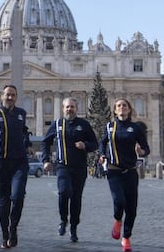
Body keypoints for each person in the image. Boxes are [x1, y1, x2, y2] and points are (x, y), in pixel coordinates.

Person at [0, 85, 33, 249]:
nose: (10, 97)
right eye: (8, 95)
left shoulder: (21, 114)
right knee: (3, 201)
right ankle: (5, 234)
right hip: (2, 162)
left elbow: (24, 132)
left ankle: (13, 227)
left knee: (17, 196)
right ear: (2, 96)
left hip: (20, 162)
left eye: (13, 95)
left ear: (16, 97)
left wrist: (28, 144)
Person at [42, 97, 98, 242]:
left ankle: (74, 227)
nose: (69, 109)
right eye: (67, 107)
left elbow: (95, 144)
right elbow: (46, 142)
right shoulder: (58, 124)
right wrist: (46, 160)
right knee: (64, 192)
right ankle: (63, 220)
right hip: (62, 166)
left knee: (76, 199)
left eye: (72, 107)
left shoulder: (83, 124)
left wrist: (85, 145)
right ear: (63, 109)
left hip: (79, 167)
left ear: (76, 109)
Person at [98, 98, 150, 252]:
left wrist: (142, 151)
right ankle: (117, 220)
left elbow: (146, 148)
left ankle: (126, 237)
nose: (122, 108)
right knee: (119, 201)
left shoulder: (135, 128)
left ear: (129, 109)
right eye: (119, 106)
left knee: (132, 208)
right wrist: (102, 155)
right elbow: (102, 143)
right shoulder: (110, 127)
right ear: (115, 110)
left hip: (131, 171)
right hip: (114, 170)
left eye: (125, 105)